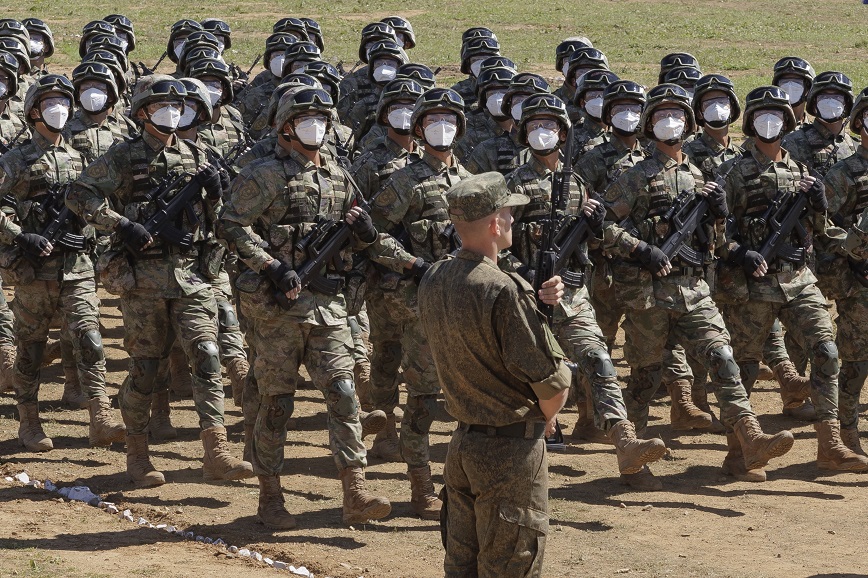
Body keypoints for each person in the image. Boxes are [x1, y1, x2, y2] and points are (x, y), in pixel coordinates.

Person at [603, 83, 795, 482]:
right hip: (649, 294)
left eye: (676, 115)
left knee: (723, 358)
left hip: (694, 290)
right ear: (648, 124)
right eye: (660, 116)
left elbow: (718, 243)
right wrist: (640, 248)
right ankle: (632, 455)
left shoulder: (700, 175)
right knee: (645, 377)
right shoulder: (633, 176)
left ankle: (749, 441)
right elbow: (601, 226)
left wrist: (719, 215)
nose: (669, 122)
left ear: (689, 123)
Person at [68, 75, 253, 487]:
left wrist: (217, 193)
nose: (171, 112)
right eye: (161, 106)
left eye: (177, 106)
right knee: (146, 370)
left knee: (206, 354)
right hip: (144, 281)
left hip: (192, 276)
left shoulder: (199, 155)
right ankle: (137, 453)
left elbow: (221, 219)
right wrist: (121, 224)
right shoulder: (123, 156)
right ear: (142, 113)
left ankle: (216, 451)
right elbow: (79, 195)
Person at [219, 87, 390, 529]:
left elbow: (357, 236)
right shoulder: (263, 175)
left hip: (328, 307)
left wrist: (367, 234)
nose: (316, 126)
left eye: (321, 118)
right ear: (285, 127)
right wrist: (271, 265)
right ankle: (270, 496)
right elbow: (230, 225)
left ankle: (356, 490)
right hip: (275, 309)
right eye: (304, 119)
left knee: (344, 393)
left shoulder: (339, 175)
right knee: (276, 403)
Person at [506, 93, 667, 490]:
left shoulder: (576, 184)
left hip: (573, 296)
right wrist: (523, 273)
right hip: (525, 298)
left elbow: (598, 240)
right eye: (534, 126)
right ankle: (527, 449)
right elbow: (495, 243)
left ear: (563, 133)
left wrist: (603, 232)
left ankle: (624, 441)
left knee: (598, 359)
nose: (542, 132)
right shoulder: (514, 184)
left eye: (549, 125)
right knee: (528, 376)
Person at [418, 171, 571, 578]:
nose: (513, 219)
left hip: (463, 446)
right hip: (510, 453)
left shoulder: (433, 277)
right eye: (507, 212)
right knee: (510, 567)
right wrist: (550, 414)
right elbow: (552, 386)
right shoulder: (503, 289)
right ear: (493, 224)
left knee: (462, 567)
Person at [719, 85, 868, 473]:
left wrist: (819, 206)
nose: (769, 122)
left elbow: (820, 230)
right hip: (753, 285)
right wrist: (738, 252)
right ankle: (739, 451)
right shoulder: (734, 173)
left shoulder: (800, 172)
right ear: (750, 122)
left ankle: (830, 445)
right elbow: (714, 230)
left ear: (787, 122)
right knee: (744, 366)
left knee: (827, 351)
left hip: (798, 279)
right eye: (761, 115)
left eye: (776, 115)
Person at [0, 74, 124, 450]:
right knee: (30, 348)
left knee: (90, 338)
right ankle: (29, 422)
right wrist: (20, 235)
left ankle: (100, 414)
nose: (60, 109)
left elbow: (97, 205)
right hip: (34, 270)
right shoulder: (16, 160)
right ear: (33, 112)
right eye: (50, 103)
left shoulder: (79, 157)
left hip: (77, 266)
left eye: (64, 102)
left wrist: (108, 241)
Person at [365, 87, 470, 518]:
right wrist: (411, 263)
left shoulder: (470, 181)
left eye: (449, 120)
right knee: (424, 397)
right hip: (418, 303)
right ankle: (421, 484)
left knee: (466, 397)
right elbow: (371, 234)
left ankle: (462, 481)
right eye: (432, 121)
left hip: (464, 303)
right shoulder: (406, 181)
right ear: (419, 129)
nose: (441, 128)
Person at [822, 86, 868, 455]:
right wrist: (855, 243)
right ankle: (845, 433)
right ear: (859, 123)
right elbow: (821, 226)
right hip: (859, 283)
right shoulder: (844, 173)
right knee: (855, 361)